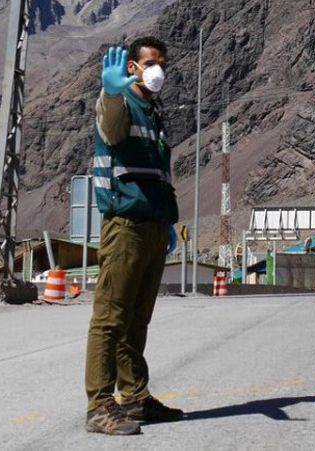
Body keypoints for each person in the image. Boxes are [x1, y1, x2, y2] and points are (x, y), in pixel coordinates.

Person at [84, 37, 185, 435]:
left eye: (163, 64)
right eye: (150, 62)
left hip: (154, 226)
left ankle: (135, 397)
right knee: (110, 318)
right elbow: (111, 130)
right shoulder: (120, 102)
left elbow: (157, 173)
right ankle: (99, 405)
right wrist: (110, 92)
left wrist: (167, 221)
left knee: (137, 319)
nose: (158, 70)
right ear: (132, 67)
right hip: (125, 225)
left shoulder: (153, 112)